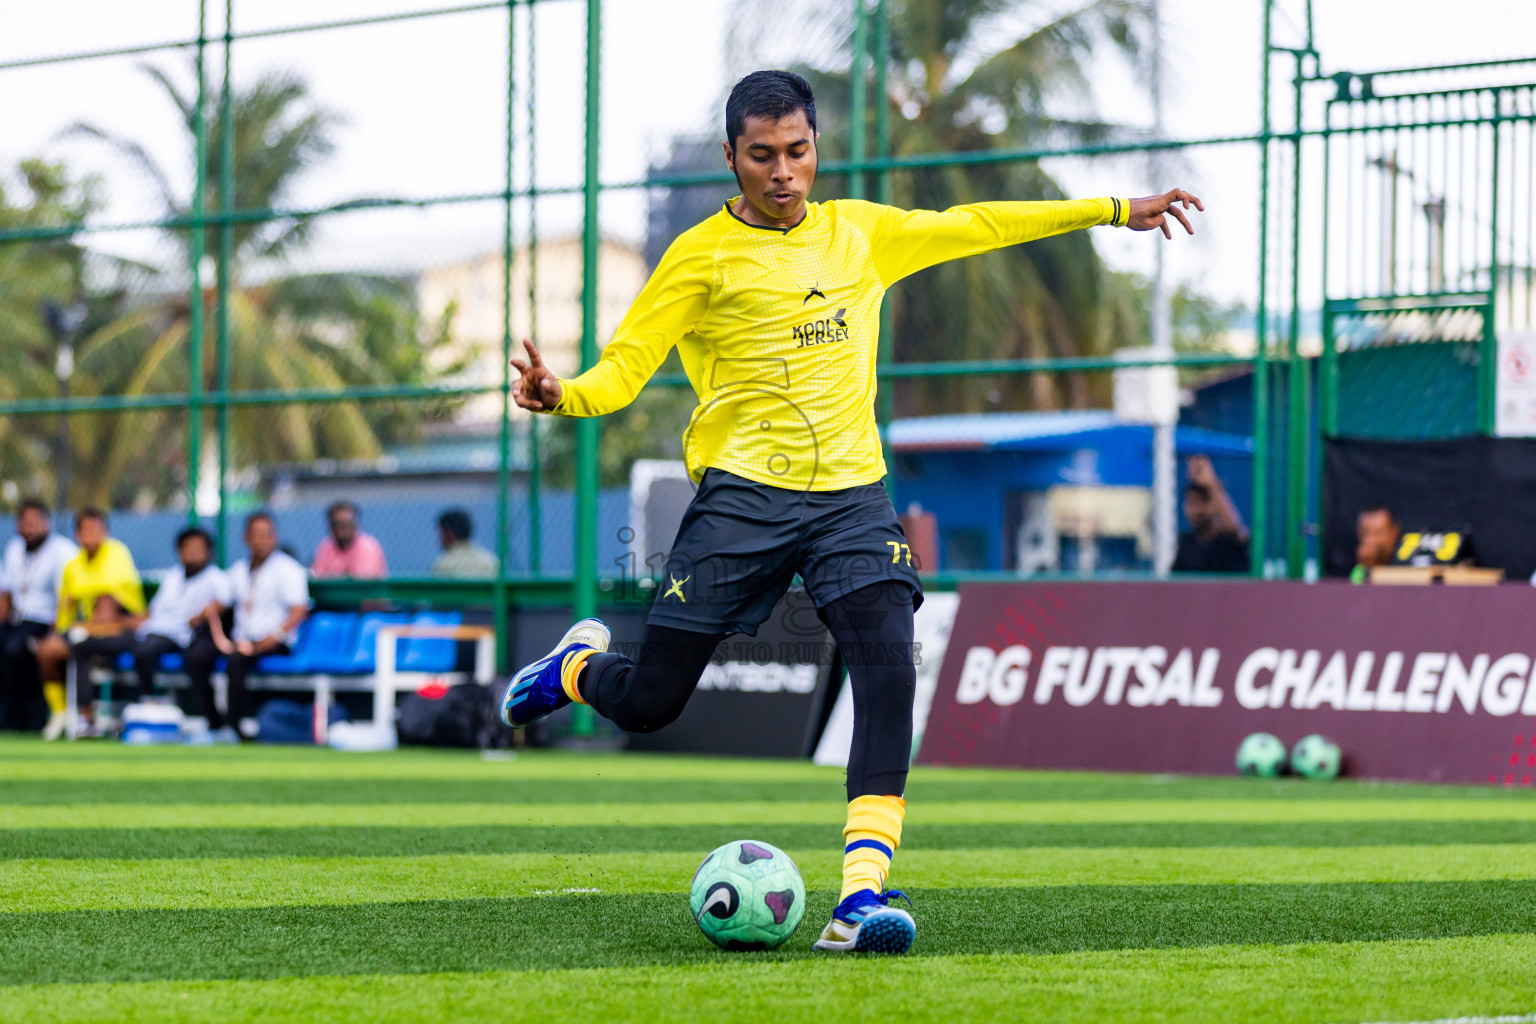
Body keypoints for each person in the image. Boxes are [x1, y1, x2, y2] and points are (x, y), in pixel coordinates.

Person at [500, 70, 1203, 954]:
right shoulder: (698, 258)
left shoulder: (862, 234)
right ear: (733, 157)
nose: (784, 172)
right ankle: (575, 668)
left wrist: (1110, 209)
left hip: (851, 502)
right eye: (763, 156)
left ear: (815, 148)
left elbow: (981, 224)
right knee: (649, 703)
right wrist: (560, 393)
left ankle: (861, 897)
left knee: (888, 666)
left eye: (798, 151)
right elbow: (622, 372)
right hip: (742, 499)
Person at [69, 527, 231, 705]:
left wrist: (200, 616)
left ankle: (147, 703)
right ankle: (85, 714)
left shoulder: (216, 577)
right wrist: (118, 622)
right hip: (148, 631)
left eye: (197, 548)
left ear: (208, 551)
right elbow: (151, 614)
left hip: (177, 636)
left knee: (143, 652)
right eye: (187, 547)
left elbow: (224, 601)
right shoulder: (173, 576)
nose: (191, 552)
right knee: (83, 646)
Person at [185, 512, 309, 742]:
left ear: (275, 537)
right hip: (241, 639)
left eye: (267, 535)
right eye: (256, 535)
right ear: (246, 538)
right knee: (196, 657)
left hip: (274, 641)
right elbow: (223, 600)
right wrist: (202, 615)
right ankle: (213, 723)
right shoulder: (239, 570)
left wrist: (268, 641)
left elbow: (299, 610)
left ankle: (233, 729)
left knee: (236, 660)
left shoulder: (288, 569)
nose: (262, 541)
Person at [35, 509, 146, 732]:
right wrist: (60, 631)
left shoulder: (117, 552)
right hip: (85, 630)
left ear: (106, 532)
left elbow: (108, 597)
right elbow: (66, 607)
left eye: (97, 529)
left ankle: (86, 716)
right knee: (47, 651)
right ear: (76, 534)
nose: (91, 535)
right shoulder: (72, 565)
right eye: (85, 530)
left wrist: (87, 612)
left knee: (81, 644)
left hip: (122, 628)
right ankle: (61, 712)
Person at [0, 498, 78, 734]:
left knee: (17, 650)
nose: (30, 528)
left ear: (48, 523)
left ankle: (31, 718)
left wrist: (55, 633)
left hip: (46, 621)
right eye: (24, 523)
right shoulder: (14, 548)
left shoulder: (62, 550)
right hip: (18, 620)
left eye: (35, 522)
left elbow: (66, 598)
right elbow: (7, 593)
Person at [1171, 455, 1250, 574]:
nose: (1197, 510)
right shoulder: (1186, 544)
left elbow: (1234, 528)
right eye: (1192, 503)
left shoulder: (1229, 541)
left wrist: (1211, 482)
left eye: (1203, 502)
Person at [309, 501, 387, 578]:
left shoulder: (368, 547)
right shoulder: (326, 547)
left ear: (355, 525)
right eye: (336, 525)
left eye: (345, 524)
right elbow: (318, 577)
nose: (340, 530)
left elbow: (361, 583)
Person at [430, 508, 499, 578]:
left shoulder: (443, 565)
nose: (439, 539)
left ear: (449, 534)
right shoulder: (490, 561)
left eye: (441, 533)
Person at [1351, 505, 1402, 583]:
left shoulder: (1406, 558)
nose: (1370, 540)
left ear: (1394, 532)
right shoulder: (1355, 562)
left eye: (1378, 533)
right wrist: (1365, 567)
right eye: (1365, 533)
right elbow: (1353, 584)